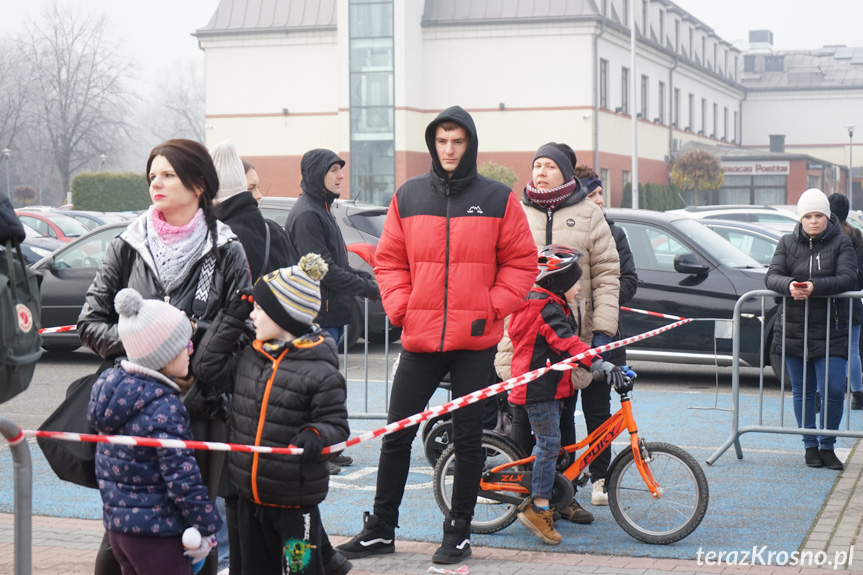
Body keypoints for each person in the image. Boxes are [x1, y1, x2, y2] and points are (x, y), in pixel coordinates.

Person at [336, 105, 537, 564]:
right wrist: (402, 308)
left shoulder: (497, 199)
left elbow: (522, 263)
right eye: (442, 141)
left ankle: (459, 531)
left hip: (474, 341)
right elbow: (389, 260)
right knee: (396, 435)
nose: (449, 149)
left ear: (470, 145)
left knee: (467, 440)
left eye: (458, 141)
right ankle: (380, 530)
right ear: (433, 144)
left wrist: (493, 307)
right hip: (420, 338)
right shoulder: (408, 196)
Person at [78, 138, 253, 575]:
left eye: (168, 174)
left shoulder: (226, 248)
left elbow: (244, 330)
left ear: (198, 185)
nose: (156, 183)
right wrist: (147, 345)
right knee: (122, 533)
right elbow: (90, 322)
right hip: (136, 407)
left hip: (200, 404)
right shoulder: (128, 243)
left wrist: (195, 338)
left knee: (197, 530)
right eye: (152, 175)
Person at [191, 253, 351, 575]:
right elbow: (205, 366)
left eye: (259, 309)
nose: (253, 314)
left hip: (293, 504)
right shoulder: (252, 355)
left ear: (285, 317)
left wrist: (315, 435)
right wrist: (231, 317)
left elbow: (335, 424)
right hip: (247, 497)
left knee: (300, 570)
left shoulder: (321, 372)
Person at [496, 144, 620, 524]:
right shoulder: (515, 212)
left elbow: (607, 275)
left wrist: (602, 331)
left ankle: (562, 496)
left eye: (550, 166)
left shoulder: (589, 214)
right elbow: (499, 268)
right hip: (521, 334)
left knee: (564, 417)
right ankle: (523, 498)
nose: (541, 172)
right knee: (522, 415)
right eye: (536, 165)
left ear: (566, 173)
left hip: (568, 333)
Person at [88, 288, 222, 575]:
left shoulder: (113, 392)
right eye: (185, 345)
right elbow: (182, 477)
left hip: (120, 529)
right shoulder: (163, 407)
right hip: (157, 533)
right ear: (162, 355)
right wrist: (207, 525)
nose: (191, 350)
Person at [507, 245, 627, 545]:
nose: (578, 287)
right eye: (575, 282)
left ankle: (550, 494)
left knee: (554, 444)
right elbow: (568, 343)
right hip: (539, 389)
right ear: (559, 283)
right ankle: (539, 507)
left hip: (551, 387)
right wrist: (598, 362)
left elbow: (564, 346)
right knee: (548, 445)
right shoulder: (544, 308)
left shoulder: (550, 303)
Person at [284, 148, 380, 473]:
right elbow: (323, 270)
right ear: (316, 175)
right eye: (333, 171)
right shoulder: (308, 214)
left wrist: (366, 278)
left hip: (333, 316)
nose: (341, 176)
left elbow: (337, 264)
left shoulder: (323, 210)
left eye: (341, 169)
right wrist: (368, 287)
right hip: (317, 317)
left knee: (329, 387)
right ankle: (317, 453)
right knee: (316, 388)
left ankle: (329, 446)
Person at [765, 188, 857, 470]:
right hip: (794, 329)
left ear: (828, 217)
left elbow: (848, 278)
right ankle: (809, 445)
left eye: (819, 215)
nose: (814, 220)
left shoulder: (842, 243)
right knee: (803, 391)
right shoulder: (786, 242)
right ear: (800, 219)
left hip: (831, 330)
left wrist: (815, 288)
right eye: (808, 216)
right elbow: (772, 276)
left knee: (833, 389)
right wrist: (790, 285)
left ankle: (828, 445)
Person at [574, 163, 638, 505]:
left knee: (599, 410)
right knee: (560, 409)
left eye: (600, 193)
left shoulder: (615, 233)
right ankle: (561, 480)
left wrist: (603, 300)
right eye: (591, 193)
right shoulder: (566, 227)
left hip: (606, 334)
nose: (599, 200)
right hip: (568, 336)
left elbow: (628, 281)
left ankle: (601, 477)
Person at [211, 140, 291, 282]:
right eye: (251, 188)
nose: (259, 195)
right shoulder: (273, 231)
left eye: (257, 187)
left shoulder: (219, 239)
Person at [827, 193, 863, 409]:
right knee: (852, 349)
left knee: (826, 349)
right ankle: (858, 394)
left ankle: (823, 394)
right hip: (852, 302)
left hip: (827, 301)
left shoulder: (828, 236)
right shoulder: (857, 235)